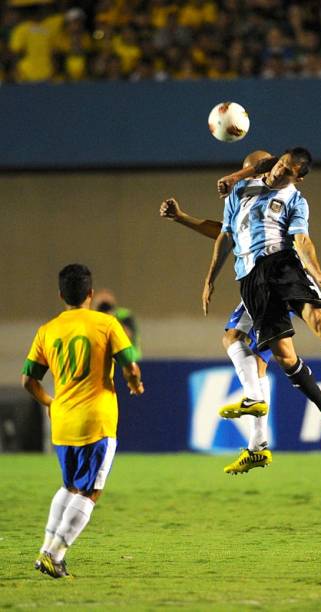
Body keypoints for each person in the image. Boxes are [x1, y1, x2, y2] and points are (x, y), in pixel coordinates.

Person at [203, 147, 321, 447]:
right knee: (285, 357)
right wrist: (209, 279)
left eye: (287, 172)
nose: (278, 172)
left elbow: (303, 240)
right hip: (251, 279)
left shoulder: (295, 200)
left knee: (320, 320)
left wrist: (319, 273)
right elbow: (226, 237)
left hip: (283, 265)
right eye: (279, 165)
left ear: (297, 177)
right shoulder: (241, 191)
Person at [160, 150, 279, 475]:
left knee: (233, 337)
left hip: (274, 279)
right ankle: (258, 447)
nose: (264, 169)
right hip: (279, 284)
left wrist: (239, 176)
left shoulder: (276, 188)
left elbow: (270, 169)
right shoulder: (243, 200)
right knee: (258, 361)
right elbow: (224, 233)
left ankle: (253, 399)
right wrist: (182, 218)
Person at [21, 264, 144, 579]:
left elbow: (28, 381)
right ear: (90, 294)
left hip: (62, 422)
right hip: (96, 421)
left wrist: (50, 402)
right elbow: (129, 364)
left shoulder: (47, 330)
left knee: (70, 486)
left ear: (61, 295)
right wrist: (134, 383)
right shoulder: (106, 324)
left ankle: (46, 550)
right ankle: (55, 555)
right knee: (90, 492)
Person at [92, 288, 142, 361]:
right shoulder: (92, 319)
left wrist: (111, 319)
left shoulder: (124, 315)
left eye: (107, 306)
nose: (105, 309)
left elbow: (127, 334)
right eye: (102, 307)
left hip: (129, 359)